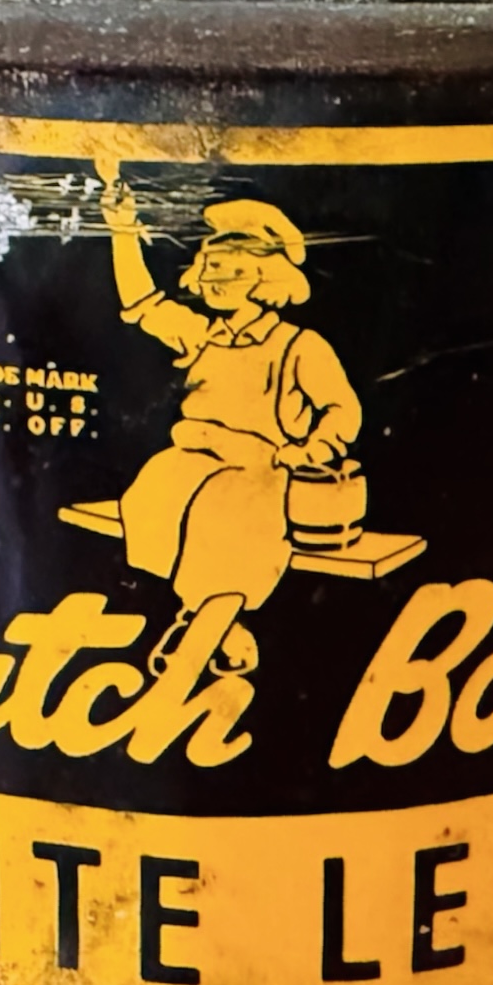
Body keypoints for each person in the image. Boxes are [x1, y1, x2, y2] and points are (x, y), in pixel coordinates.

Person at [99, 165, 360, 677]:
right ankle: (204, 616)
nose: (217, 281)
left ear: (268, 278)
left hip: (257, 467)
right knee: (151, 492)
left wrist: (309, 450)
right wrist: (122, 228)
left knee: (223, 513)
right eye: (212, 266)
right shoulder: (202, 336)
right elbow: (140, 302)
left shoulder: (298, 346)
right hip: (191, 455)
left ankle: (208, 618)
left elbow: (342, 411)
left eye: (234, 270)